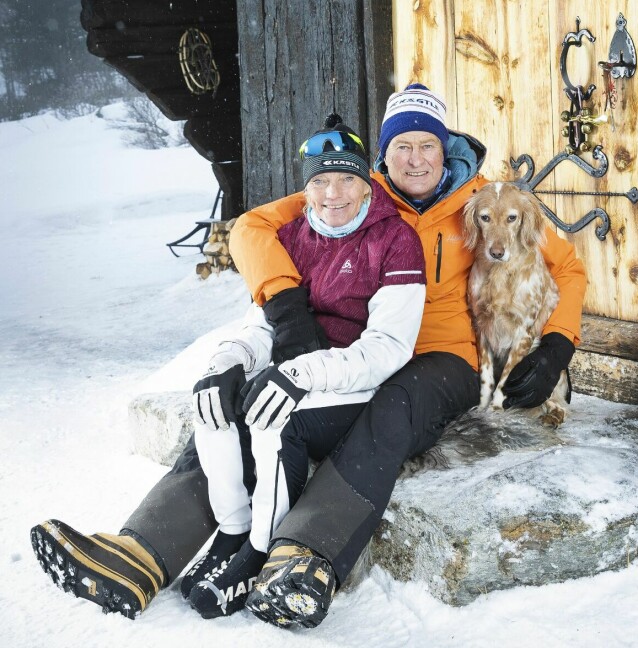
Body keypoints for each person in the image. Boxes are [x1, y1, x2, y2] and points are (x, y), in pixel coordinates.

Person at [29, 115, 427, 621]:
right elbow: (261, 324)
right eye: (320, 180)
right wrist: (227, 362)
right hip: (298, 373)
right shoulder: (293, 235)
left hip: (354, 382)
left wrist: (305, 374)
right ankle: (195, 542)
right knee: (218, 402)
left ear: (367, 181)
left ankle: (260, 551)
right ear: (304, 187)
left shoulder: (394, 240)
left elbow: (387, 349)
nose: (334, 193)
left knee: (277, 421)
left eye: (347, 178)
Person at [230, 83, 588, 629]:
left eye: (427, 145)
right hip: (359, 348)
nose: (415, 159)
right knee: (255, 402)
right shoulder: (354, 191)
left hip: (442, 359)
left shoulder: (486, 200)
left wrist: (558, 344)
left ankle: (305, 555)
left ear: (446, 149)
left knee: (395, 406)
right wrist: (286, 307)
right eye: (402, 146)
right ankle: (153, 546)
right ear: (383, 153)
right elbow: (251, 227)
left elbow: (567, 267)